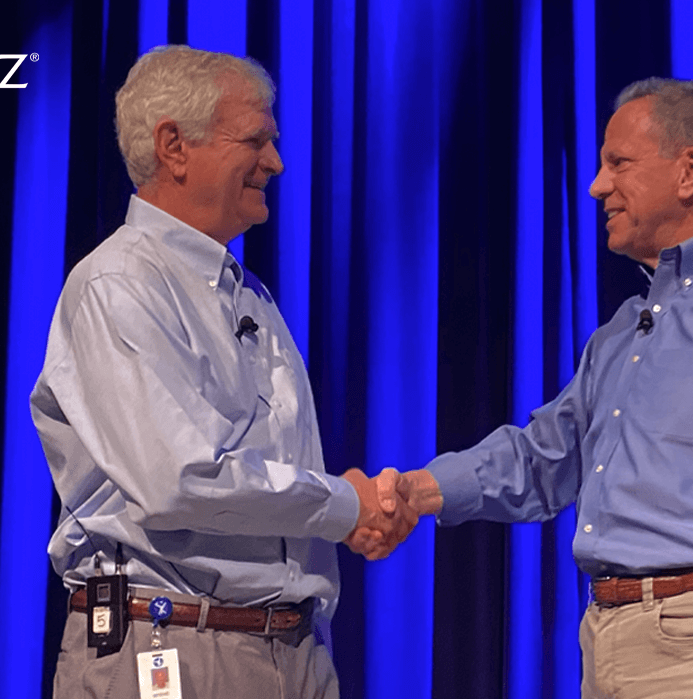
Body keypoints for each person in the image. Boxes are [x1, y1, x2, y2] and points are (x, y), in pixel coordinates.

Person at [382, 78, 693, 698]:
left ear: (690, 171)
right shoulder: (622, 332)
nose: (598, 185)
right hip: (608, 639)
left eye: (617, 163)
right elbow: (543, 456)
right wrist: (418, 490)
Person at [31, 45, 412, 699]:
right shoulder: (119, 284)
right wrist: (345, 504)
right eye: (256, 140)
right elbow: (179, 479)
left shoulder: (248, 294)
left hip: (290, 649)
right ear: (174, 146)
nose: (276, 162)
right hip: (172, 648)